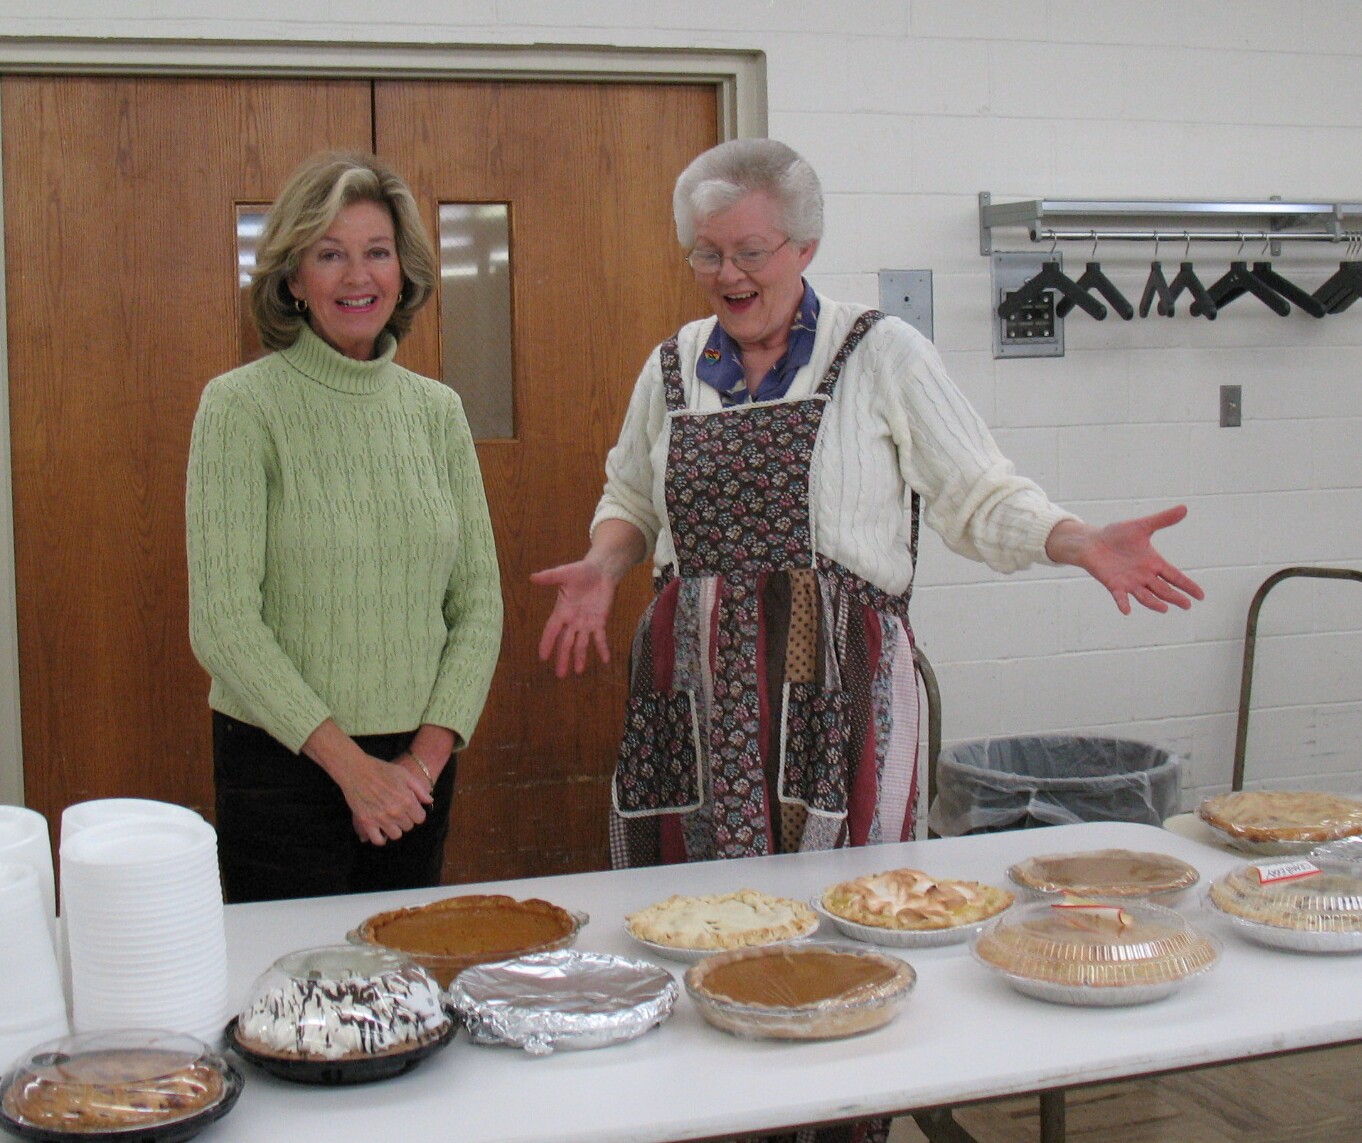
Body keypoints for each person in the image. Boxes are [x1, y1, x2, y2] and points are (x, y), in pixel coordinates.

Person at [533, 137, 1203, 873]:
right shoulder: (673, 363)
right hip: (692, 694)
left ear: (804, 246)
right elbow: (631, 493)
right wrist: (604, 562)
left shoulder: (882, 353)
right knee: (695, 903)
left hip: (838, 691)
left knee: (851, 900)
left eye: (750, 252)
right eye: (706, 253)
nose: (727, 274)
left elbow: (976, 490)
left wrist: (1077, 541)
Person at [187, 151, 503, 903]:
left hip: (417, 769)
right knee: (297, 999)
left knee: (405, 983)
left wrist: (417, 767)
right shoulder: (240, 408)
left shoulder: (438, 413)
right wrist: (354, 770)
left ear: (403, 270)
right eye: (330, 255)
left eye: (376, 253)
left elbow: (479, 607)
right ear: (293, 279)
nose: (357, 277)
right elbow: (223, 621)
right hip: (282, 763)